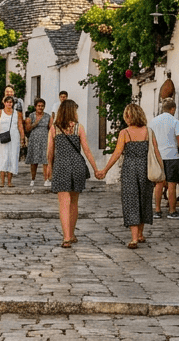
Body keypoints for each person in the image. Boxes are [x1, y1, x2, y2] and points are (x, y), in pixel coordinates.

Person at [97, 103, 157, 249]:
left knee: (132, 201)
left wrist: (105, 170)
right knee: (144, 199)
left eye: (127, 115)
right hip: (145, 170)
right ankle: (140, 234)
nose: (127, 118)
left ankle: (134, 238)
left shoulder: (125, 133)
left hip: (130, 170)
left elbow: (117, 154)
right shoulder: (148, 132)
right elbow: (156, 152)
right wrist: (161, 172)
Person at [46, 99, 99, 248]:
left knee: (63, 203)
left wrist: (49, 166)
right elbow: (86, 150)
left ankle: (66, 237)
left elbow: (50, 151)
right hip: (77, 165)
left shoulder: (54, 129)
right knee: (74, 202)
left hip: (61, 165)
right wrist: (95, 169)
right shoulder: (78, 128)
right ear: (72, 111)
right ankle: (72, 233)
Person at [149, 98, 179, 219]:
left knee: (158, 184)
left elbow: (150, 139)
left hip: (158, 156)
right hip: (172, 156)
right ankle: (172, 211)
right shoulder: (175, 122)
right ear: (173, 109)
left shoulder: (153, 122)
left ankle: (157, 210)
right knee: (172, 185)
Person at [0, 95, 26, 188]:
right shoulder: (0, 112)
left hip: (14, 138)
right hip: (3, 137)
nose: (9, 104)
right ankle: (2, 181)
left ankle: (10, 182)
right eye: (7, 102)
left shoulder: (17, 114)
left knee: (12, 158)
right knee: (3, 157)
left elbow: (20, 126)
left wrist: (22, 137)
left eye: (11, 102)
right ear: (4, 103)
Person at [25, 98, 50, 187]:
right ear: (35, 106)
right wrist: (34, 124)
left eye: (42, 106)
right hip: (34, 139)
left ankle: (46, 179)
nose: (40, 107)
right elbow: (27, 129)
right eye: (39, 106)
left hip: (45, 139)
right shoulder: (31, 116)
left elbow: (50, 128)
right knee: (34, 161)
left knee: (45, 160)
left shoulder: (47, 116)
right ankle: (33, 179)